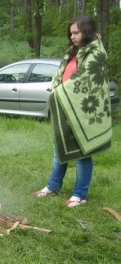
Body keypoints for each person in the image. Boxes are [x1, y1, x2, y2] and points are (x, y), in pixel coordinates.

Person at [32, 16, 112, 208]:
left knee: (83, 153)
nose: (72, 36)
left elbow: (85, 80)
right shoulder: (73, 52)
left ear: (87, 31)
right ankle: (53, 187)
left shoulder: (96, 53)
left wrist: (63, 91)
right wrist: (58, 90)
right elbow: (62, 75)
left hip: (83, 111)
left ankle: (80, 195)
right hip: (67, 108)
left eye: (76, 32)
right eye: (71, 33)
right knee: (59, 150)